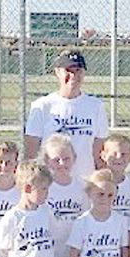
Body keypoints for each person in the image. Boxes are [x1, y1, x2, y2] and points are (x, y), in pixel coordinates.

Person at [24, 49, 107, 179]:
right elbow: (30, 154)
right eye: (68, 70)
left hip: (84, 182)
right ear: (57, 72)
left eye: (78, 70)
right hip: (49, 184)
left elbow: (99, 154)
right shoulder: (42, 106)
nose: (73, 75)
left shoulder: (96, 106)